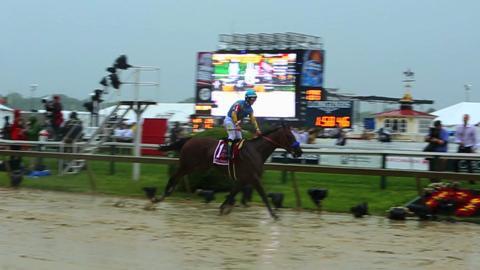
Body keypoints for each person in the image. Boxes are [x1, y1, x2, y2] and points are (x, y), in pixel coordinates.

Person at [224, 89, 261, 160]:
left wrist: (257, 129)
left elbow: (253, 119)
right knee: (232, 135)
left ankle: (237, 153)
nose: (253, 101)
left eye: (254, 99)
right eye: (252, 99)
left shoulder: (250, 109)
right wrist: (237, 125)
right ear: (247, 99)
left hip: (236, 122)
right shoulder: (239, 104)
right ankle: (227, 153)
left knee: (239, 138)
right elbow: (233, 114)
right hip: (229, 120)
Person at [454, 114, 477, 180]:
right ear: (462, 119)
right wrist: (459, 142)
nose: (465, 119)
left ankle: (471, 179)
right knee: (456, 161)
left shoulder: (472, 128)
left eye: (466, 118)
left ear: (468, 119)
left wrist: (474, 148)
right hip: (461, 147)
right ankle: (456, 178)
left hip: (468, 147)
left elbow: (475, 139)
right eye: (464, 118)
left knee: (469, 163)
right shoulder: (459, 127)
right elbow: (456, 138)